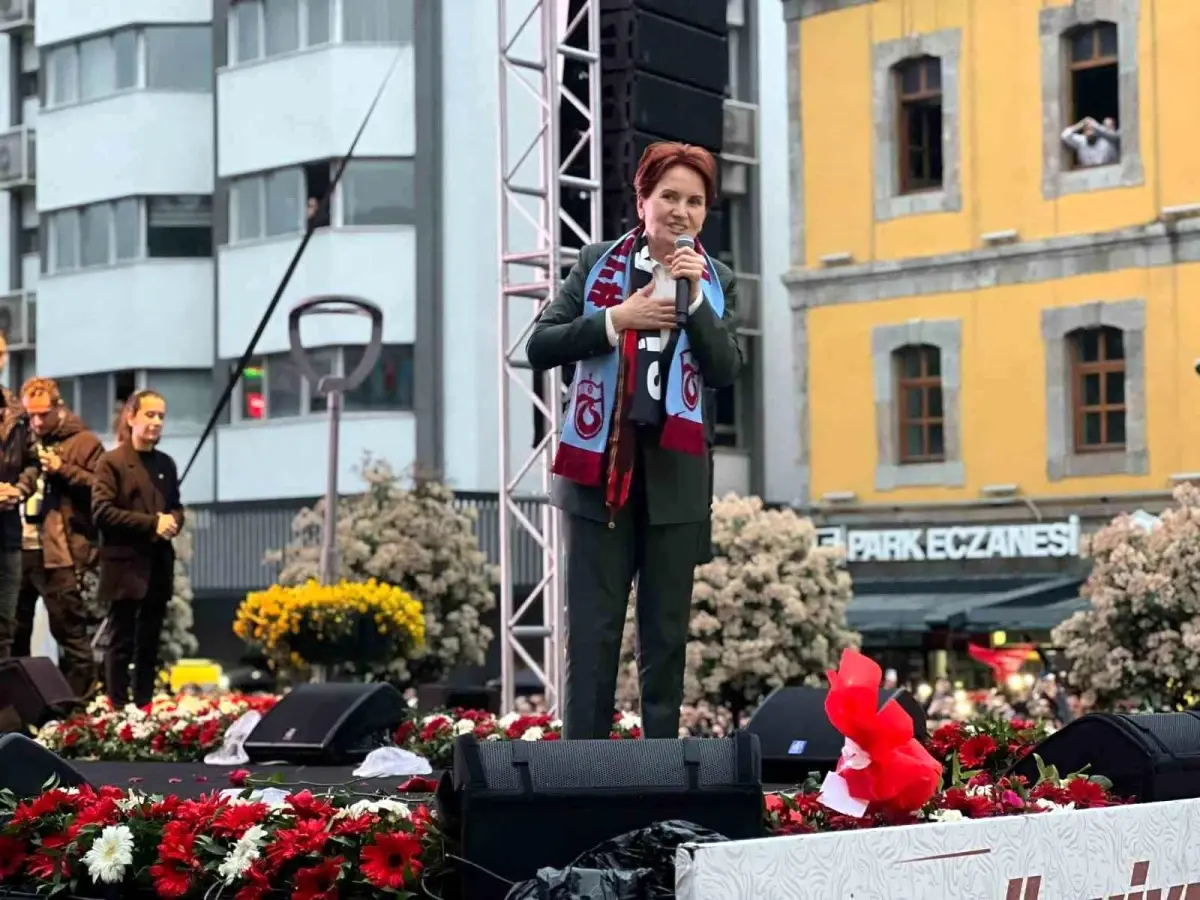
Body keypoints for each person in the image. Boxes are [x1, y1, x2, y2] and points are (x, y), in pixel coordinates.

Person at [526, 141, 741, 739]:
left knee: (666, 637)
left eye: (695, 201)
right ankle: (582, 771)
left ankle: (661, 770)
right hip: (598, 476)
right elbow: (539, 346)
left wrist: (694, 301)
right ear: (642, 200)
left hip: (675, 481)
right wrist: (618, 319)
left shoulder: (716, 281)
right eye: (669, 196)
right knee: (592, 635)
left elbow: (727, 369)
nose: (681, 211)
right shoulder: (597, 264)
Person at [11, 378, 104, 695]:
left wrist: (63, 469)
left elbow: (102, 489)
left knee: (70, 631)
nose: (37, 422)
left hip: (60, 551)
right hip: (19, 546)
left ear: (59, 408)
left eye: (44, 414)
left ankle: (76, 708)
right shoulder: (21, 439)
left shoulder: (84, 442)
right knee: (14, 633)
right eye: (31, 415)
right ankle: (20, 710)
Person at [92, 390, 183, 707]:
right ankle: (117, 709)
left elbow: (175, 507)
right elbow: (102, 513)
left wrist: (173, 521)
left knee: (150, 643)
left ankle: (144, 706)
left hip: (157, 565)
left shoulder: (165, 464)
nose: (156, 422)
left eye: (161, 416)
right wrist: (151, 523)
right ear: (131, 417)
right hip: (124, 568)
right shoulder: (111, 462)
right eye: (149, 415)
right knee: (121, 642)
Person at [0, 332, 39, 659]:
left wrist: (18, 489)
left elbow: (32, 462)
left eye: (0, 354)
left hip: (9, 530)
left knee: (5, 624)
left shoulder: (16, 409)